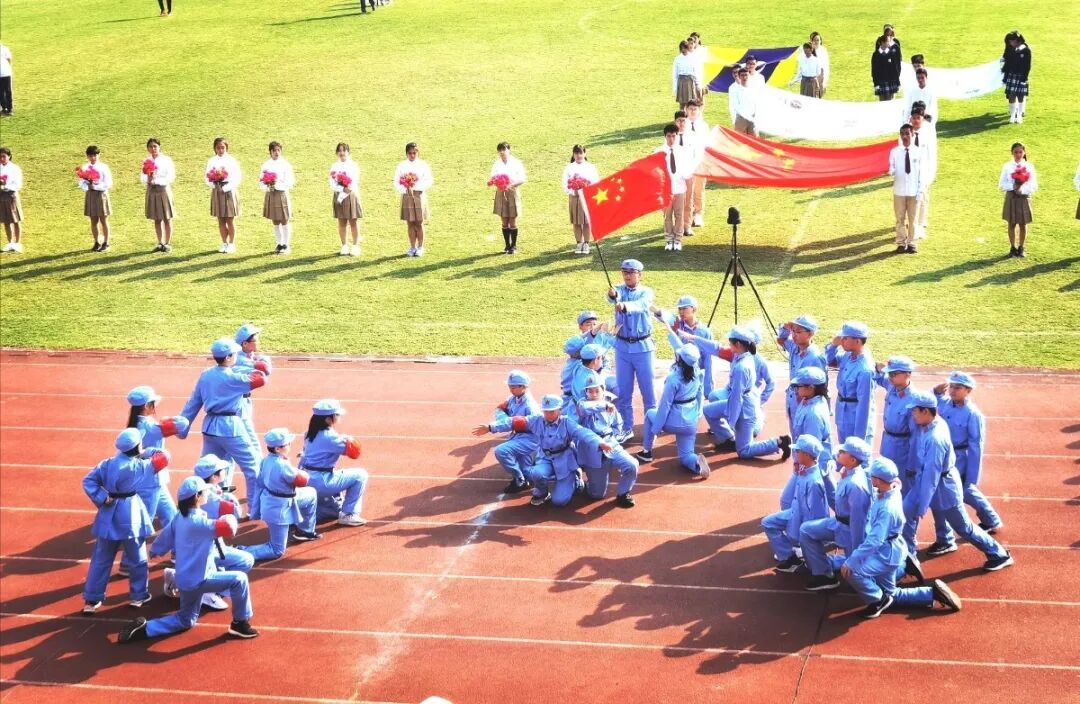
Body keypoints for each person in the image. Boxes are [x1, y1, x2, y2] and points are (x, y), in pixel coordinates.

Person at [118, 476, 259, 642]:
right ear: (197, 497)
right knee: (239, 580)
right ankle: (239, 623)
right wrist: (231, 513)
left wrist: (156, 550)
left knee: (186, 620)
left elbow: (166, 536)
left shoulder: (180, 517)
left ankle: (145, 629)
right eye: (204, 491)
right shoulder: (199, 523)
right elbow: (227, 527)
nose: (207, 493)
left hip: (186, 578)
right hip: (200, 579)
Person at [901, 392, 1013, 570]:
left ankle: (998, 554)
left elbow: (932, 474)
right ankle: (908, 556)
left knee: (963, 527)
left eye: (914, 410)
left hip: (944, 488)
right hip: (927, 481)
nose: (912, 414)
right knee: (906, 511)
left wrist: (923, 505)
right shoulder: (930, 424)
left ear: (925, 411)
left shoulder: (935, 438)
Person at [842, 457, 962, 619]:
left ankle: (878, 600)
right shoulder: (892, 488)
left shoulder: (886, 508)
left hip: (885, 554)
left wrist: (852, 560)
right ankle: (930, 592)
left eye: (872, 477)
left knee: (852, 572)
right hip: (893, 549)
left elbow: (875, 541)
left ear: (877, 480)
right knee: (891, 594)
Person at [81, 428, 170, 614]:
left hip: (108, 514)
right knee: (138, 558)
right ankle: (138, 595)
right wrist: (146, 451)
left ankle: (92, 599)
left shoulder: (106, 464)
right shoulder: (141, 466)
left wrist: (102, 497)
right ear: (136, 446)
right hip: (131, 513)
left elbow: (88, 481)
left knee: (101, 558)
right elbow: (164, 457)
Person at [180, 337, 269, 521]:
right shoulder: (232, 378)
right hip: (230, 428)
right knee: (253, 468)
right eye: (234, 354)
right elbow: (260, 379)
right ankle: (255, 510)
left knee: (209, 469)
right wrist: (257, 364)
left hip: (210, 427)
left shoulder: (206, 375)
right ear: (228, 357)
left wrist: (183, 426)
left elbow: (194, 402)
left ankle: (203, 506)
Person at [476, 394, 609, 507]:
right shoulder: (537, 420)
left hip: (564, 460)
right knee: (536, 473)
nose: (548, 415)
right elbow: (514, 421)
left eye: (552, 411)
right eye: (546, 411)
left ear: (560, 410)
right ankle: (542, 493)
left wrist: (599, 442)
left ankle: (575, 477)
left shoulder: (567, 423)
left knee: (560, 501)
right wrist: (491, 427)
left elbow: (583, 433)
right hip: (545, 458)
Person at [698, 325, 791, 460]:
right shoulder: (744, 356)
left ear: (738, 344)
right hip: (745, 401)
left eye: (730, 342)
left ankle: (778, 442)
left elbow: (737, 398)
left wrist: (731, 421)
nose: (728, 345)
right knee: (708, 410)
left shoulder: (741, 367)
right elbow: (717, 348)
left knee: (744, 451)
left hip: (745, 409)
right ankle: (728, 439)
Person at [933, 372, 1002, 533]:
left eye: (958, 388)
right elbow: (929, 402)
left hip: (959, 458)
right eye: (951, 386)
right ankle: (990, 519)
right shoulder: (944, 403)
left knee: (965, 490)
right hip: (942, 454)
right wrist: (935, 391)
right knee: (955, 491)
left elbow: (976, 445)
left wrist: (972, 476)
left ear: (968, 390)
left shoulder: (973, 414)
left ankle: (990, 519)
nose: (953, 390)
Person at [800, 437, 873, 590]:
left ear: (852, 460)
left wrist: (856, 552)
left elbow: (858, 521)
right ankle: (824, 575)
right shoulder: (849, 472)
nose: (839, 452)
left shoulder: (855, 485)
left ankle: (901, 568)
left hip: (850, 530)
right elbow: (837, 502)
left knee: (857, 576)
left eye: (843, 452)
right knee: (806, 530)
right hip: (838, 523)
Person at [634, 344, 711, 478]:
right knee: (686, 456)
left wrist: (657, 428)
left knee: (650, 414)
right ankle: (696, 462)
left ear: (680, 359)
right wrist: (698, 415)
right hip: (690, 422)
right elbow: (699, 394)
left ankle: (646, 452)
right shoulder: (698, 373)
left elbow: (665, 405)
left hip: (674, 420)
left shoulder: (673, 378)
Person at [242, 428, 320, 560]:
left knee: (311, 494)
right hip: (279, 510)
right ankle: (241, 553)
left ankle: (305, 530)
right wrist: (304, 471)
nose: (290, 445)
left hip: (271, 501)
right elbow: (302, 480)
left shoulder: (266, 460)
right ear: (278, 449)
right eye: (287, 443)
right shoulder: (282, 465)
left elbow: (259, 483)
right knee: (276, 550)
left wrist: (255, 509)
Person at [762, 435, 830, 572]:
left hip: (803, 521)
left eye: (798, 451)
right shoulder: (803, 471)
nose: (795, 453)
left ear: (806, 454)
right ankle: (789, 557)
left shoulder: (814, 482)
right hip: (795, 512)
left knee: (814, 563)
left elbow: (816, 514)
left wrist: (803, 534)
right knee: (768, 522)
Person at [606, 258, 656, 441]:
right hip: (622, 347)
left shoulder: (646, 292)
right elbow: (611, 297)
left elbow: (642, 305)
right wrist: (612, 295)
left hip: (643, 347)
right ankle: (626, 427)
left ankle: (652, 427)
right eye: (624, 273)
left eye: (631, 273)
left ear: (639, 275)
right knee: (623, 391)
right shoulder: (619, 289)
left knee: (648, 391)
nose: (627, 276)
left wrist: (624, 306)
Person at [125, 385, 189, 527]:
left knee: (171, 516)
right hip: (150, 479)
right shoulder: (149, 426)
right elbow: (183, 423)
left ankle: (175, 540)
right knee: (145, 521)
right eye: (153, 403)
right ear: (146, 406)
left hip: (153, 478)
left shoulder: (135, 424)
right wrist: (167, 420)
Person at [300, 399, 369, 525]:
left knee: (334, 508)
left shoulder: (309, 433)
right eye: (337, 415)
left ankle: (313, 513)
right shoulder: (331, 437)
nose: (339, 416)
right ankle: (348, 514)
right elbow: (355, 453)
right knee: (360, 475)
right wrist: (348, 439)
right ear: (328, 419)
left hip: (306, 479)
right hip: (321, 481)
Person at [575, 377, 638, 507]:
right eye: (590, 391)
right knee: (596, 495)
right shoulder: (582, 405)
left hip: (611, 444)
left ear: (603, 390)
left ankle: (623, 493)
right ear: (586, 392)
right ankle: (579, 479)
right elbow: (586, 408)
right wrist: (604, 406)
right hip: (592, 449)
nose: (593, 394)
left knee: (632, 465)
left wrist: (612, 438)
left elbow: (617, 425)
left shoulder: (610, 404)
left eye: (597, 390)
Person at [785, 367, 835, 509]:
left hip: (814, 463)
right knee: (833, 498)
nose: (796, 390)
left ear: (811, 388)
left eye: (798, 386)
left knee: (788, 501)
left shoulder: (813, 414)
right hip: (813, 461)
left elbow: (811, 448)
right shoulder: (809, 401)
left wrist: (801, 467)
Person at [486, 370, 542, 494]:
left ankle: (520, 480)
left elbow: (518, 423)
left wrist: (491, 427)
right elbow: (501, 409)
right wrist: (503, 418)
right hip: (519, 437)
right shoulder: (513, 399)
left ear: (523, 387)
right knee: (527, 472)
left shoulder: (530, 406)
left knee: (501, 451)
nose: (510, 389)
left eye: (513, 387)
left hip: (530, 440)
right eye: (509, 386)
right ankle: (528, 476)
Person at [233, 322, 272, 488]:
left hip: (244, 402)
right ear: (245, 344)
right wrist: (260, 364)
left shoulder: (247, 357)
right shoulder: (238, 360)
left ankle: (222, 485)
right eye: (255, 340)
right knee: (252, 444)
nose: (258, 342)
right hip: (237, 405)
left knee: (229, 449)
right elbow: (264, 372)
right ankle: (263, 483)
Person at [873, 356, 919, 495]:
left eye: (894, 374)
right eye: (890, 374)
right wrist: (878, 368)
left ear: (907, 374)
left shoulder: (913, 399)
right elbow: (880, 378)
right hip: (887, 444)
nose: (890, 377)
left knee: (902, 488)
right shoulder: (892, 386)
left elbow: (915, 436)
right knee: (885, 484)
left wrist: (912, 464)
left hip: (902, 450)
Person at [825, 322, 875, 445]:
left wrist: (859, 439)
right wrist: (833, 345)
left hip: (855, 418)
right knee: (843, 451)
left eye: (845, 338)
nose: (842, 341)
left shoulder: (865, 369)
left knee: (854, 453)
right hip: (843, 414)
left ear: (857, 341)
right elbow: (828, 360)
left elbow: (864, 406)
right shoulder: (848, 356)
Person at [654, 295, 714, 395]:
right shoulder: (677, 324)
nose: (681, 312)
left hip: (697, 374)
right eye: (679, 309)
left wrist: (708, 387)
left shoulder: (705, 332)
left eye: (685, 308)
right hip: (679, 371)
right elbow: (664, 316)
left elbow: (708, 361)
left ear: (693, 309)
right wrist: (658, 312)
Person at [777, 315, 827, 434]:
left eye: (798, 332)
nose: (794, 335)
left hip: (806, 402)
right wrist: (785, 327)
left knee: (807, 436)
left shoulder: (815, 357)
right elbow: (781, 340)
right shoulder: (795, 348)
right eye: (793, 331)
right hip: (793, 400)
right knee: (795, 434)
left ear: (810, 334)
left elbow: (821, 385)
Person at [888, 124, 926, 254]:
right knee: (899, 219)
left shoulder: (919, 152)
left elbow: (922, 173)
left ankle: (912, 242)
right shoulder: (895, 152)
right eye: (902, 134)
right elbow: (891, 167)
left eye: (907, 134)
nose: (904, 136)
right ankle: (900, 242)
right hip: (899, 191)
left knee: (913, 219)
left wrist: (920, 191)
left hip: (914, 191)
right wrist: (892, 171)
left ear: (912, 134)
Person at [655, 123, 692, 251]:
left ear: (677, 136)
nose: (671, 139)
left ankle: (677, 240)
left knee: (679, 215)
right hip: (665, 190)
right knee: (667, 216)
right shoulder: (659, 151)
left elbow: (687, 169)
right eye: (669, 136)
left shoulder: (683, 151)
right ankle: (669, 240)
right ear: (665, 137)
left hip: (679, 188)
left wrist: (686, 176)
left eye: (673, 136)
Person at [394, 142, 433, 257]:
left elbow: (428, 180)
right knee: (410, 223)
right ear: (406, 154)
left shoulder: (423, 165)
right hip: (406, 195)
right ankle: (412, 247)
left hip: (419, 195)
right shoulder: (402, 166)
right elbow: (396, 181)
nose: (412, 155)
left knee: (419, 223)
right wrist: (405, 188)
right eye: (410, 153)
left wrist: (414, 187)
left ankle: (420, 247)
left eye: (414, 153)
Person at [999, 141, 1037, 257]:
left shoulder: (1029, 166)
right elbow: (1001, 184)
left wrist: (1022, 189)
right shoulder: (1007, 166)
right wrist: (1013, 187)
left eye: (1020, 152)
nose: (1018, 154)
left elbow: (1034, 185)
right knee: (1011, 223)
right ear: (1012, 153)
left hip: (1023, 197)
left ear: (1024, 152)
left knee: (1023, 224)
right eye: (1016, 152)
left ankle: (1021, 247)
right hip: (1011, 197)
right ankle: (1012, 247)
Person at [205, 137, 242, 254]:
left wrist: (225, 188)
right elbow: (207, 176)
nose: (220, 150)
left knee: (229, 219)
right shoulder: (211, 161)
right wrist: (214, 185)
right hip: (217, 190)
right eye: (218, 148)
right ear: (215, 149)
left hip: (229, 190)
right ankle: (224, 242)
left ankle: (231, 243)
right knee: (220, 219)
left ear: (226, 148)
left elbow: (237, 177)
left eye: (222, 148)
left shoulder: (231, 160)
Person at [490, 142, 527, 254]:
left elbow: (522, 178)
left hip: (512, 191)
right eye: (500, 150)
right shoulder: (497, 164)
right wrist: (498, 183)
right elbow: (493, 177)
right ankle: (507, 245)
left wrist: (510, 185)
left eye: (504, 150)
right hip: (501, 192)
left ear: (508, 150)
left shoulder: (516, 163)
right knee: (504, 220)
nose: (502, 152)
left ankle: (513, 246)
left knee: (512, 220)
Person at [141, 137, 177, 253]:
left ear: (159, 147)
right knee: (156, 218)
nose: (153, 149)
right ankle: (160, 242)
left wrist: (157, 180)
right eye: (150, 147)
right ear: (148, 148)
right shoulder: (146, 161)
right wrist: (148, 179)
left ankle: (167, 243)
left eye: (155, 146)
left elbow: (171, 176)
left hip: (163, 189)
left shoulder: (166, 160)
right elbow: (142, 177)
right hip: (152, 190)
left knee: (167, 217)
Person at [562, 144, 600, 254]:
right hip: (574, 197)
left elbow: (596, 182)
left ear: (584, 153)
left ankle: (586, 243)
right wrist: (572, 191)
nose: (578, 155)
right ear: (573, 155)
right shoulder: (569, 167)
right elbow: (564, 183)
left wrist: (587, 189)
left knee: (586, 221)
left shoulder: (590, 167)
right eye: (576, 153)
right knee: (576, 222)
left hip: (587, 197)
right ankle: (579, 243)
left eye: (580, 153)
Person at [260, 141, 296, 254]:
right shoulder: (266, 165)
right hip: (271, 194)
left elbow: (290, 181)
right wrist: (268, 187)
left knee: (284, 219)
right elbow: (261, 180)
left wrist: (277, 185)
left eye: (278, 150)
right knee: (275, 220)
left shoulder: (285, 164)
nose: (276, 152)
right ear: (270, 152)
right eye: (274, 150)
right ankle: (279, 243)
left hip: (281, 193)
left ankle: (286, 244)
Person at [907, 106, 937, 241]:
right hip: (911, 172)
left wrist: (930, 173)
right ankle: (912, 224)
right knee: (911, 199)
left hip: (924, 171)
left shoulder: (928, 131)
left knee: (922, 198)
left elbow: (932, 153)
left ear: (922, 119)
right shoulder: (906, 131)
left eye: (918, 118)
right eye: (913, 118)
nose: (915, 121)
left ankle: (920, 225)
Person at [77, 146, 114, 252]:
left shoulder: (104, 167)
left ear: (98, 155)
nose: (93, 158)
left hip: (101, 194)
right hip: (90, 195)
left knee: (103, 219)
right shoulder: (85, 167)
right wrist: (87, 187)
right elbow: (81, 182)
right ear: (87, 156)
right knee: (93, 220)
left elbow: (108, 183)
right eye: (90, 156)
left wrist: (96, 187)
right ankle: (97, 242)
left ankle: (106, 242)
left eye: (95, 155)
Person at [329, 142, 362, 257]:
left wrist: (347, 188)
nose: (342, 153)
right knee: (342, 221)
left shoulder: (353, 165)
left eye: (344, 150)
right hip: (339, 195)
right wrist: (342, 188)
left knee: (353, 221)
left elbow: (355, 180)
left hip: (351, 194)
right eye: (339, 151)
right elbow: (332, 183)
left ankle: (355, 245)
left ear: (348, 152)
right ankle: (344, 245)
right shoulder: (334, 166)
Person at [684, 100, 709, 228]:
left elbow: (707, 145)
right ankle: (687, 217)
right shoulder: (682, 125)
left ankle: (698, 214)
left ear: (699, 111)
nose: (693, 111)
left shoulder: (704, 126)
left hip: (700, 162)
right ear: (686, 110)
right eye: (691, 109)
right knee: (687, 191)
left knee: (699, 190)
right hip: (686, 163)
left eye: (695, 109)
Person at [1002, 31, 1031, 124]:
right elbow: (1007, 59)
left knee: (1020, 95)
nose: (1010, 43)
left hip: (1021, 76)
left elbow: (1027, 66)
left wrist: (1024, 78)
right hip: (1012, 75)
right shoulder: (1011, 49)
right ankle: (1012, 115)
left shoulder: (1026, 50)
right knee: (1011, 95)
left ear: (1017, 40)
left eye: (1012, 41)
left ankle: (1019, 115)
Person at [0, 146, 24, 252]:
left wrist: (5, 186)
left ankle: (17, 243)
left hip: (11, 195)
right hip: (1, 196)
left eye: (3, 156)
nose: (1, 159)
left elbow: (18, 184)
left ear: (9, 156)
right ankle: (10, 242)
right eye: (0, 157)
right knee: (6, 220)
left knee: (16, 220)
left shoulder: (15, 168)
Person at [672, 40, 701, 110]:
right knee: (682, 102)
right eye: (681, 48)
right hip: (681, 81)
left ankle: (690, 115)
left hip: (690, 81)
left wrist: (698, 84)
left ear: (687, 48)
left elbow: (696, 71)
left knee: (691, 102)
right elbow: (675, 74)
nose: (683, 50)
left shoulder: (693, 57)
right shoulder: (677, 59)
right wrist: (675, 88)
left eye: (684, 48)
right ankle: (682, 114)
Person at [871, 34, 901, 101]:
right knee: (882, 102)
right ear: (882, 42)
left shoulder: (891, 53)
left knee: (891, 102)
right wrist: (876, 84)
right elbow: (874, 70)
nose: (889, 43)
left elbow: (895, 68)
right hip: (880, 82)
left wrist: (897, 82)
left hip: (891, 81)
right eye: (888, 41)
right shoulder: (876, 55)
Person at [730, 68, 758, 136]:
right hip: (741, 118)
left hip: (753, 118)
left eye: (746, 75)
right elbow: (735, 106)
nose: (744, 77)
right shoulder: (736, 90)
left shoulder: (753, 88)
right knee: (739, 138)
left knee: (754, 139)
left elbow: (756, 103)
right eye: (742, 75)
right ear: (739, 77)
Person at [810, 32, 829, 97]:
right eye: (814, 40)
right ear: (811, 41)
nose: (816, 42)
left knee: (819, 98)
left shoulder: (823, 51)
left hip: (820, 77)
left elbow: (826, 67)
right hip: (810, 79)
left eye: (818, 40)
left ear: (820, 41)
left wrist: (825, 82)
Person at [0, 42, 12, 115]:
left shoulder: (5, 48)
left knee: (2, 91)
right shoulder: (5, 48)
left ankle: (5, 108)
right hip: (6, 73)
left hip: (5, 73)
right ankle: (8, 109)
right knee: (7, 91)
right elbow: (9, 60)